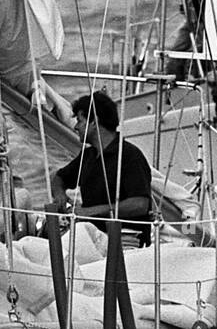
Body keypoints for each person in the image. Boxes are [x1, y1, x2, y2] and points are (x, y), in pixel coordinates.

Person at [50, 91, 154, 245]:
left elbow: (140, 205)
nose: (76, 127)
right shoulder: (88, 156)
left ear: (94, 122)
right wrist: (60, 195)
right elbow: (60, 177)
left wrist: (90, 212)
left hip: (125, 241)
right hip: (93, 238)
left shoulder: (129, 156)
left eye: (80, 121)